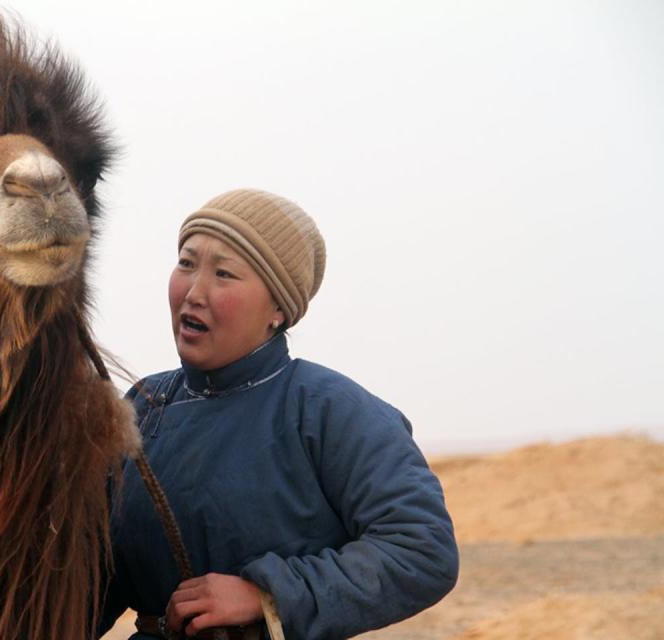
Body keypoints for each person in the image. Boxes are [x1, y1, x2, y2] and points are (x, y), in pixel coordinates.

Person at [99, 189, 458, 639]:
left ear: (278, 310)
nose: (194, 291)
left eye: (224, 273)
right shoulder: (145, 407)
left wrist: (265, 596)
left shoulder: (329, 409)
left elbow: (423, 551)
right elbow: (97, 573)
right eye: (187, 263)